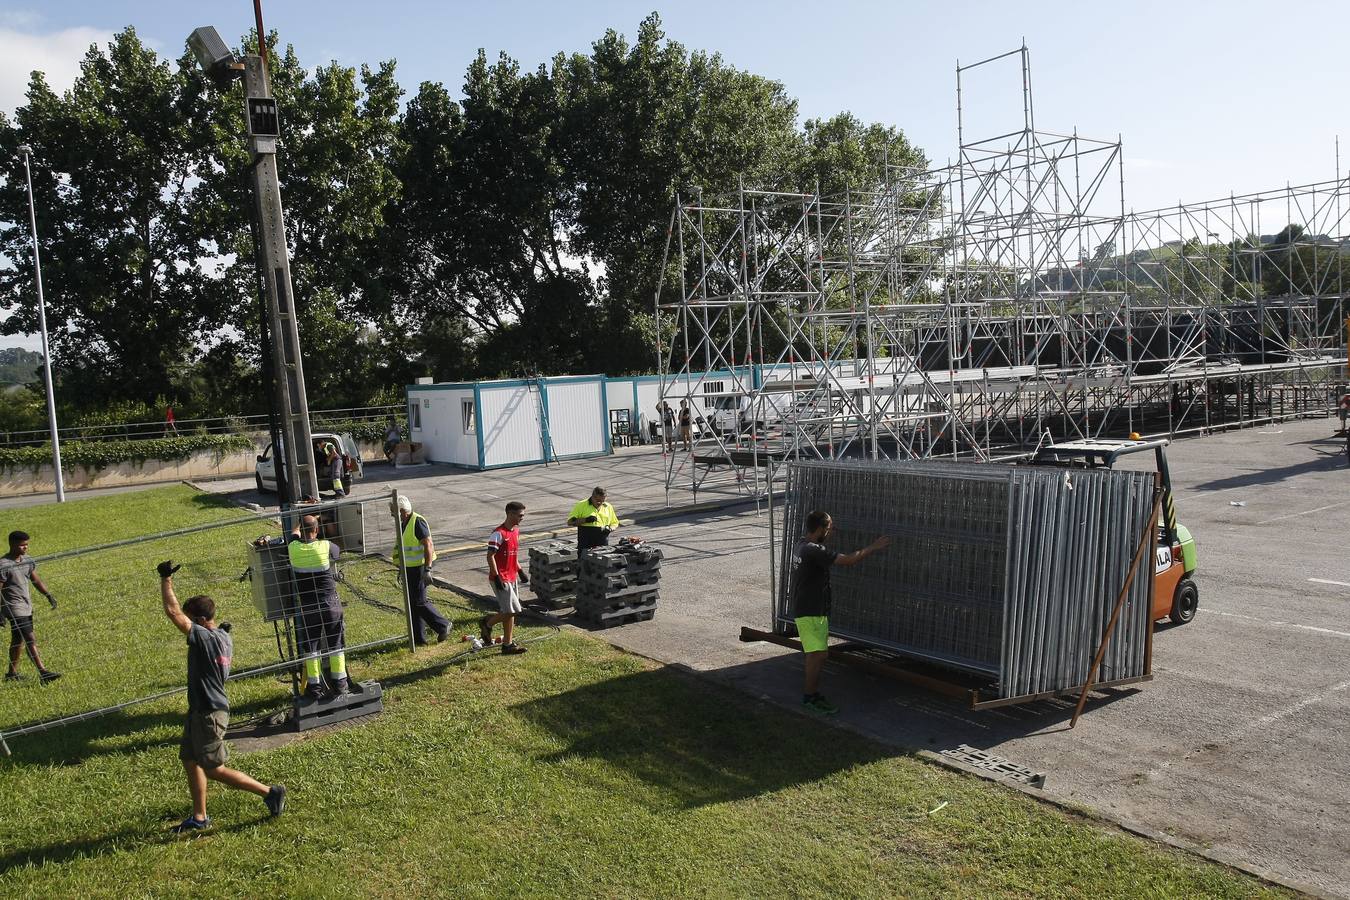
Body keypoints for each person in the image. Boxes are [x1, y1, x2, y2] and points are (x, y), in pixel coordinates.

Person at [157, 559, 286, 832]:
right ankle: (199, 817)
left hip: (209, 713)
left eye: (193, 620)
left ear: (202, 621)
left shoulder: (203, 638)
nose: (189, 625)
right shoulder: (222, 636)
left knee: (215, 769)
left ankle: (269, 792)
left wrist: (166, 579)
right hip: (200, 711)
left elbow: (172, 612)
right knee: (190, 760)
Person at [789, 510, 890, 715]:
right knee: (816, 656)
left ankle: (812, 694)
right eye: (830, 528)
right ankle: (810, 697)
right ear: (819, 529)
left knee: (819, 654)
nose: (832, 532)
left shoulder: (801, 545)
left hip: (808, 609)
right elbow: (848, 560)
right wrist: (873, 547)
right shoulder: (813, 550)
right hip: (811, 612)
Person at [287, 514, 350, 698]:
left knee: (311, 647)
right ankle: (340, 684)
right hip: (330, 603)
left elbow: (294, 533)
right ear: (316, 530)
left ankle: (314, 688)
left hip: (308, 606)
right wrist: (323, 520)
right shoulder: (325, 546)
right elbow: (339, 548)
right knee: (336, 644)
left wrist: (300, 518)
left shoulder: (293, 548)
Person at [2, 531, 60, 683]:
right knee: (30, 638)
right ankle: (43, 672)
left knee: (18, 639)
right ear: (12, 544)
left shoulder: (27, 560)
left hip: (26, 606)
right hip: (14, 608)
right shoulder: (4, 565)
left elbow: (36, 580)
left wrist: (48, 595)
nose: (25, 547)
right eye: (22, 545)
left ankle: (11, 674)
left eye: (27, 544)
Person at [391, 495, 450, 644]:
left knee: (419, 601)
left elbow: (428, 545)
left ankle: (443, 625)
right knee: (412, 603)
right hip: (409, 568)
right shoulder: (403, 522)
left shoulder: (417, 522)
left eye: (393, 511)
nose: (391, 514)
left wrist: (427, 569)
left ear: (403, 511)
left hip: (420, 567)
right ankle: (419, 639)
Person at [479, 501, 529, 655]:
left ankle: (507, 645)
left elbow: (513, 555)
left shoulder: (516, 531)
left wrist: (520, 571)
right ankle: (487, 623)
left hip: (512, 576)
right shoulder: (498, 533)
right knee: (511, 610)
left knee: (511, 611)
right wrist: (496, 576)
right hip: (501, 578)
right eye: (520, 515)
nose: (522, 518)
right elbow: (490, 556)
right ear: (510, 514)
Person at [567, 487, 620, 551]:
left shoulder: (608, 506)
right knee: (584, 559)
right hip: (585, 541)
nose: (600, 503)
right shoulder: (581, 505)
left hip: (602, 541)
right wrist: (586, 520)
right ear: (592, 497)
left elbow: (615, 523)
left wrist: (610, 528)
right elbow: (570, 522)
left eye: (602, 501)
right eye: (598, 500)